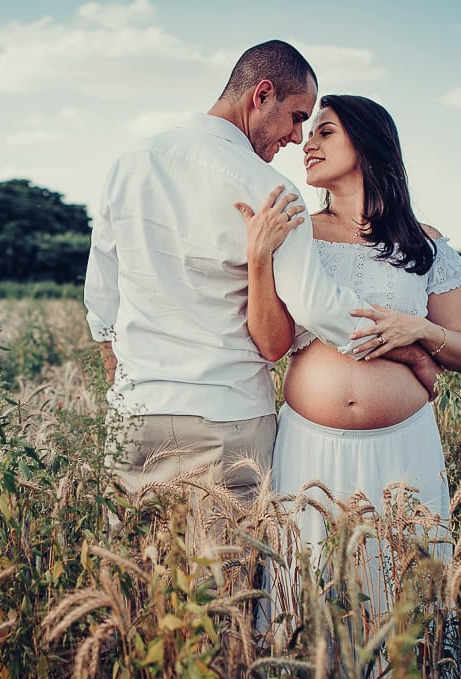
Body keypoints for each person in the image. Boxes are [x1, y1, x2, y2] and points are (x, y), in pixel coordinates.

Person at [83, 42, 440, 505]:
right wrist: (414, 354)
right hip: (226, 417)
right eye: (296, 117)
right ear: (262, 94)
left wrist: (123, 380)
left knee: (138, 570)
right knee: (223, 575)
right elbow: (315, 306)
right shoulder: (269, 189)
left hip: (134, 416)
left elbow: (101, 296)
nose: (297, 138)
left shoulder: (129, 164)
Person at [236, 95, 461, 641]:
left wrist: (420, 333)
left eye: (324, 131)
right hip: (310, 448)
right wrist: (258, 260)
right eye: (307, 132)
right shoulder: (298, 233)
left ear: (366, 144)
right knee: (304, 592)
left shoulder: (427, 243)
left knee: (404, 594)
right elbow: (272, 344)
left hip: (403, 446)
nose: (306, 143)